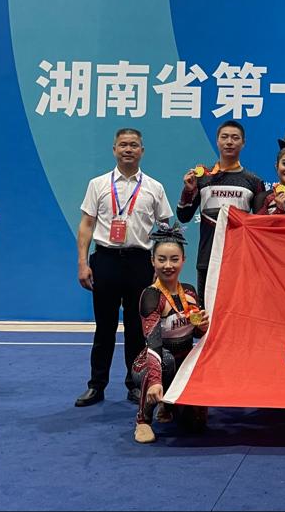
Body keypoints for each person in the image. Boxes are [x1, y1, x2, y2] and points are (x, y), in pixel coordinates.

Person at [75, 128, 172, 408]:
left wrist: (161, 264)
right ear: (114, 149)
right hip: (105, 260)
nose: (128, 149)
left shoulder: (154, 187)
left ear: (142, 150)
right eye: (123, 145)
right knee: (104, 327)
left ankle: (135, 384)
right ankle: (96, 385)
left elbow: (165, 227)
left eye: (133, 145)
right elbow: (86, 225)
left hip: (139, 262)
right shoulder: (98, 184)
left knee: (136, 328)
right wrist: (82, 262)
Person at [131, 225, 209, 444]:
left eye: (174, 259)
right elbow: (153, 344)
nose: (168, 265)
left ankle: (169, 404)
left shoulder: (190, 291)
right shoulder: (151, 296)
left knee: (196, 425)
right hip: (153, 362)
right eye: (162, 259)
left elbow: (196, 334)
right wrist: (155, 382)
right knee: (166, 361)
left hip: (183, 362)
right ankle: (143, 420)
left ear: (183, 260)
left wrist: (203, 326)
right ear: (152, 261)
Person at [177, 120, 264, 308]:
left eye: (235, 138)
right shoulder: (202, 178)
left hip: (239, 260)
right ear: (217, 141)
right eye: (224, 137)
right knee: (207, 314)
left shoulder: (254, 182)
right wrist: (188, 191)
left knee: (237, 311)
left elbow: (260, 226)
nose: (229, 142)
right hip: (207, 259)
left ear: (243, 143)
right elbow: (183, 216)